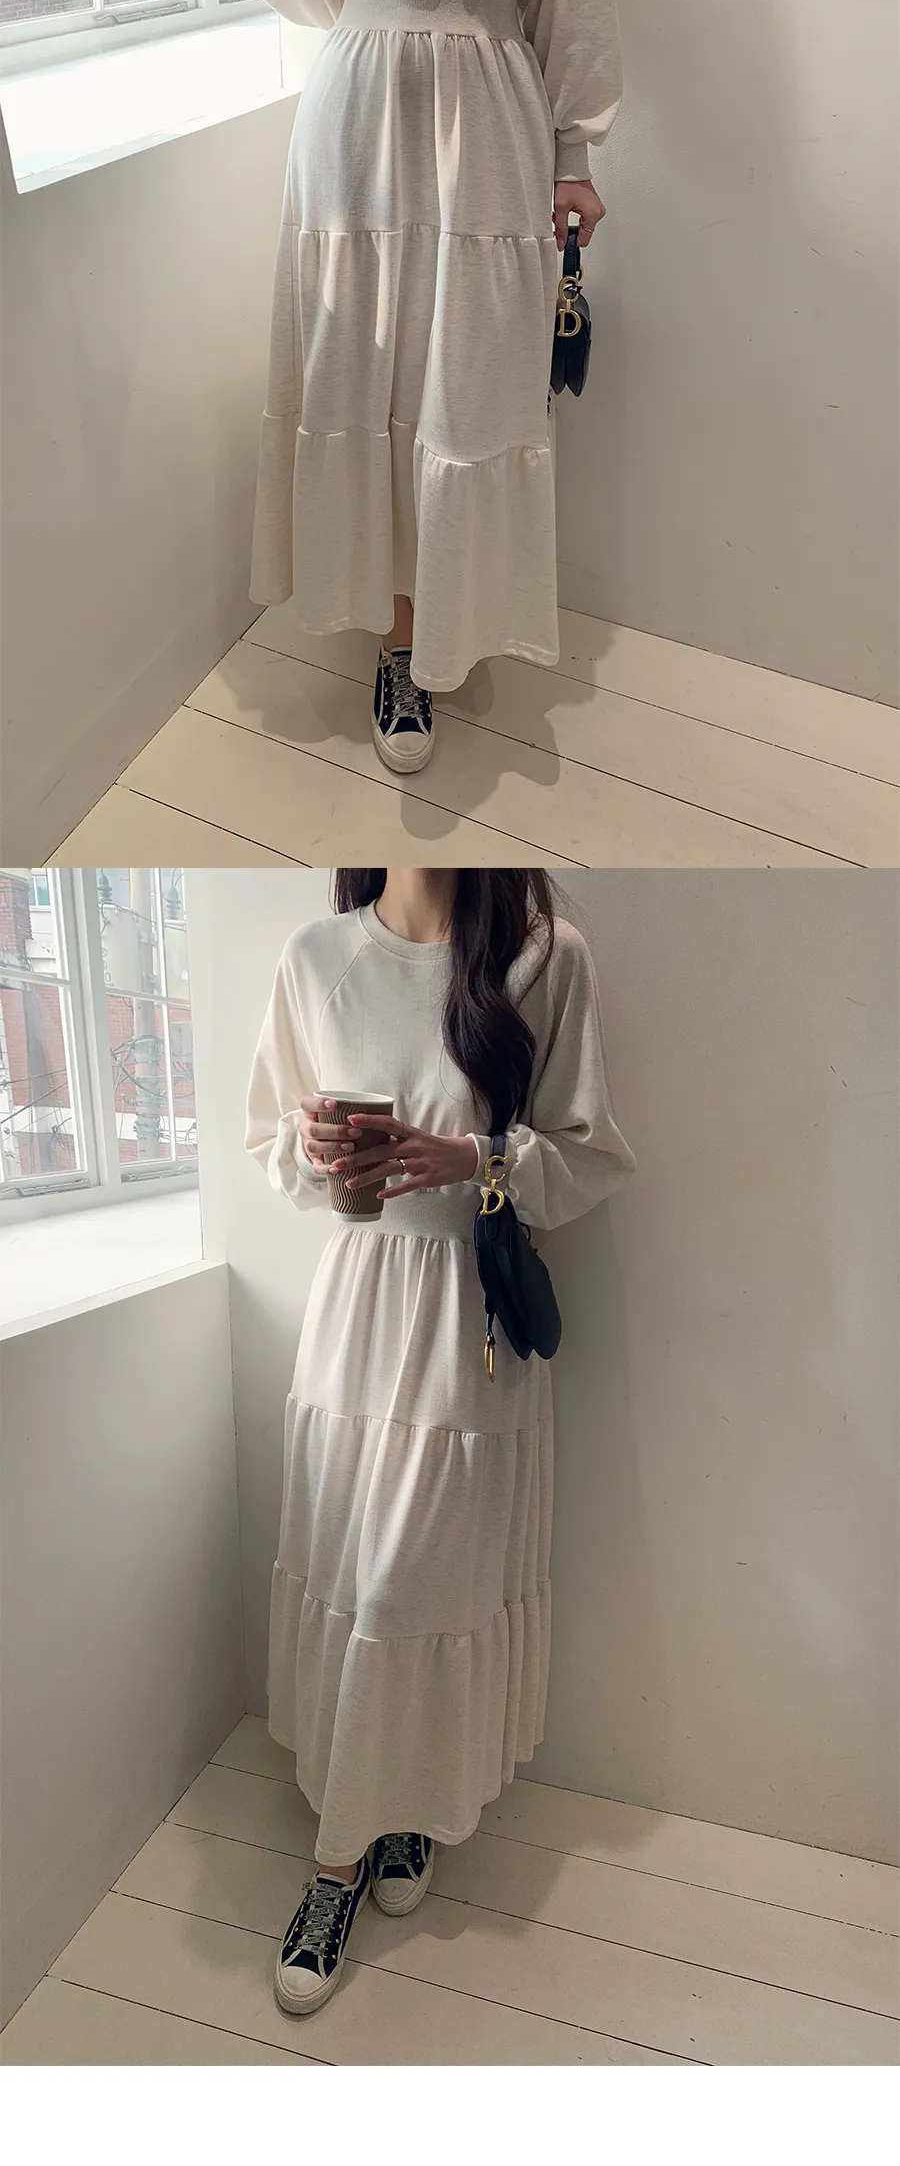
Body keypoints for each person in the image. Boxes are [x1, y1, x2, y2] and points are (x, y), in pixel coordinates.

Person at [146, 0, 621, 773]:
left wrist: (576, 148)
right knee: (362, 379)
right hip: (355, 119)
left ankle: (452, 619)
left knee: (466, 384)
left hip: (490, 112)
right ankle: (399, 645)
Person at [246, 862, 635, 2014]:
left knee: (420, 1582)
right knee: (351, 1572)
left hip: (469, 1318)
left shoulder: (545, 955)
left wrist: (474, 1158)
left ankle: (369, 1833)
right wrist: (314, 1150)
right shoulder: (316, 958)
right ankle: (359, 1833)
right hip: (355, 1310)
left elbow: (592, 1155)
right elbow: (268, 1143)